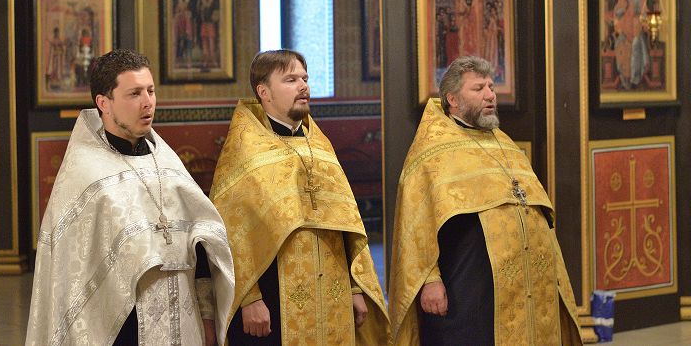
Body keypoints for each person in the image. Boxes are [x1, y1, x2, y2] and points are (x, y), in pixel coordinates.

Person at [26, 49, 235, 346]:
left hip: (185, 323)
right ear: (104, 103)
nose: (147, 102)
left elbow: (200, 251)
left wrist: (207, 316)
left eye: (151, 91)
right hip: (122, 331)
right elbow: (70, 279)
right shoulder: (84, 174)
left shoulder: (168, 163)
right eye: (134, 93)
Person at [389, 56, 582, 345]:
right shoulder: (431, 152)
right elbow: (415, 224)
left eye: (491, 86)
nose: (490, 95)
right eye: (478, 88)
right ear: (452, 99)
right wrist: (429, 280)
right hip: (468, 287)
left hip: (525, 287)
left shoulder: (504, 143)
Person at [210, 49, 390, 345]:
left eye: (305, 78)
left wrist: (355, 287)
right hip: (273, 299)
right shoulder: (244, 152)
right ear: (264, 92)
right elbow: (231, 231)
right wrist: (249, 297)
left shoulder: (320, 146)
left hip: (332, 291)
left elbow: (345, 222)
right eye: (291, 80)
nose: (303, 86)